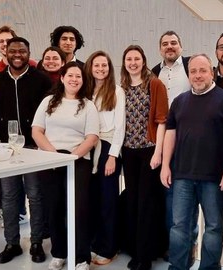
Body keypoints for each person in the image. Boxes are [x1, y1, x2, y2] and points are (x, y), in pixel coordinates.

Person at [161, 53, 223, 270]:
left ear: (212, 72)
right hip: (182, 176)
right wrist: (165, 165)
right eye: (193, 71)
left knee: (214, 227)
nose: (198, 75)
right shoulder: (179, 101)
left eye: (202, 70)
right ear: (189, 75)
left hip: (213, 178)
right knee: (180, 227)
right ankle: (178, 267)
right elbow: (170, 134)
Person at [0, 37, 52, 264]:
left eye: (22, 51)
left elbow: (47, 116)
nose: (17, 54)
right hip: (5, 149)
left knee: (35, 195)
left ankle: (36, 242)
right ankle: (12, 243)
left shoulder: (42, 80)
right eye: (12, 50)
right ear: (5, 52)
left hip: (33, 148)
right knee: (9, 197)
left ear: (28, 53)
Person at [32, 62, 99, 270]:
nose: (74, 79)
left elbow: (92, 137)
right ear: (62, 78)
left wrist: (72, 157)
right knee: (54, 208)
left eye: (78, 76)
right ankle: (59, 252)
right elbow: (36, 131)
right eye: (70, 75)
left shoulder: (88, 105)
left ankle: (81, 257)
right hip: (50, 159)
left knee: (79, 209)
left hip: (78, 160)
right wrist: (53, 155)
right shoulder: (48, 102)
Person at [151, 30, 198, 265]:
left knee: (190, 194)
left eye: (174, 43)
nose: (169, 47)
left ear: (181, 46)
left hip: (190, 140)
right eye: (165, 44)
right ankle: (171, 247)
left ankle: (190, 247)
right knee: (169, 194)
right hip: (162, 140)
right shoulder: (155, 72)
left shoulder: (191, 67)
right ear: (160, 48)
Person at [120, 45, 169, 270]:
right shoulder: (121, 87)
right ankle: (135, 250)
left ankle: (146, 255)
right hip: (128, 151)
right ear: (124, 62)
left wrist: (158, 152)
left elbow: (161, 120)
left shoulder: (155, 84)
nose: (133, 62)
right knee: (132, 200)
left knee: (147, 203)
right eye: (129, 59)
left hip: (149, 150)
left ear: (143, 60)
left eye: (136, 58)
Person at [84, 51, 125, 266]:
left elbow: (120, 128)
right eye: (96, 65)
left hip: (108, 147)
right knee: (91, 199)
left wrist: (112, 157)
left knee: (108, 200)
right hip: (88, 148)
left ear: (109, 68)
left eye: (104, 65)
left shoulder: (117, 91)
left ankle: (109, 247)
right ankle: (93, 243)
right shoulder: (85, 91)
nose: (100, 69)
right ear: (90, 67)